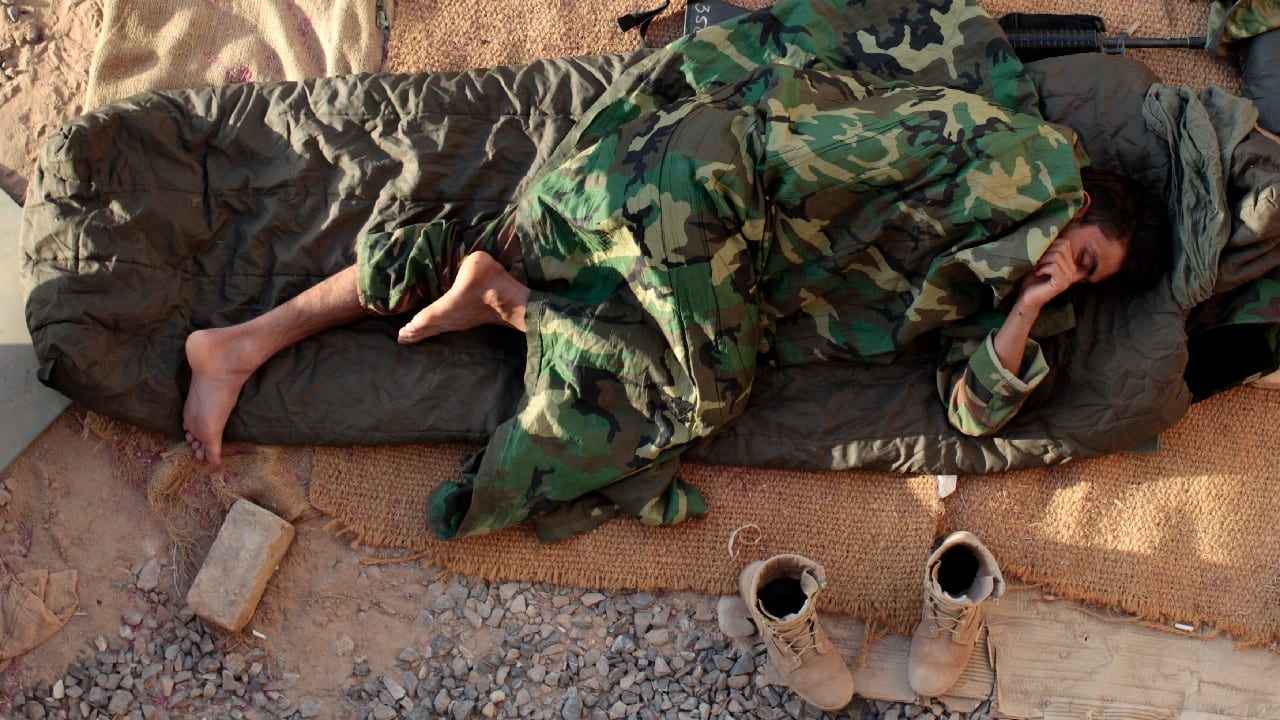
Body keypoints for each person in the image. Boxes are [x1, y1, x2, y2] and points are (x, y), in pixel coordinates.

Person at [182, 64, 1172, 540]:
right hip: (705, 186)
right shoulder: (994, 153)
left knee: (484, 247)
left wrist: (1026, 308)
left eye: (1082, 278)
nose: (1060, 268)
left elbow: (971, 414)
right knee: (705, 393)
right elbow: (810, 156)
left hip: (666, 238)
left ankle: (241, 342)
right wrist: (727, 233)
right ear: (1073, 201)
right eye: (1079, 252)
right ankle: (513, 308)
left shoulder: (999, 298)